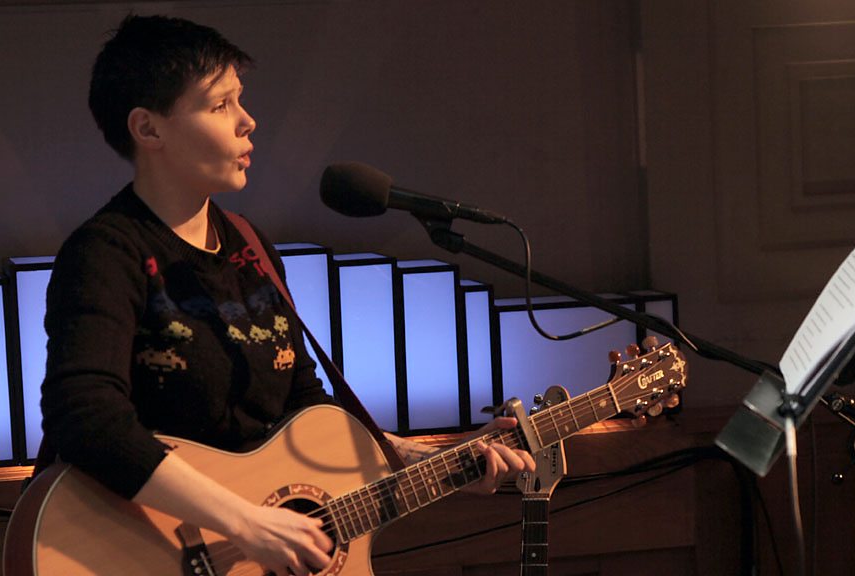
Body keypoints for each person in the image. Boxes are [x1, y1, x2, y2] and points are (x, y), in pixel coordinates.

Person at [40, 13, 535, 576]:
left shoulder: (250, 246)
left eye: (240, 100)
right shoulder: (107, 253)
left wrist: (437, 460)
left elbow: (304, 414)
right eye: (220, 105)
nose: (247, 121)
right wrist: (245, 523)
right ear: (148, 129)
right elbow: (86, 416)